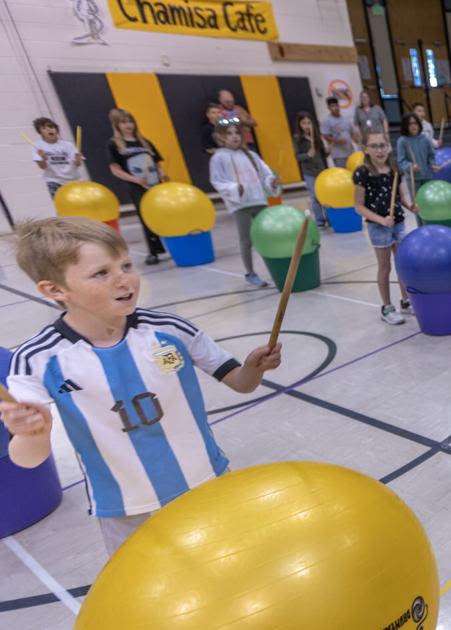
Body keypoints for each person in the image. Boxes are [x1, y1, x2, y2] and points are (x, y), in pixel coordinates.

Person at [1, 217, 281, 555]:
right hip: (125, 509)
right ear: (55, 290)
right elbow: (30, 459)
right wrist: (30, 432)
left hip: (207, 480)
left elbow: (240, 383)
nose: (125, 279)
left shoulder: (169, 329)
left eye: (125, 265)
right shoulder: (36, 358)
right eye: (101, 273)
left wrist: (252, 368)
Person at [354, 130, 417, 325]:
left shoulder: (394, 169)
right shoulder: (362, 173)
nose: (379, 150)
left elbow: (401, 197)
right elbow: (358, 207)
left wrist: (410, 206)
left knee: (402, 264)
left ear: (388, 147)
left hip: (397, 223)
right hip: (378, 227)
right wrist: (381, 220)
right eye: (374, 146)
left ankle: (406, 301)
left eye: (382, 145)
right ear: (366, 149)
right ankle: (387, 307)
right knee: (385, 267)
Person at [209, 121, 278, 288]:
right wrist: (233, 188)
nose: (234, 136)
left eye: (237, 133)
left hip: (258, 200)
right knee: (246, 240)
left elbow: (265, 173)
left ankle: (276, 268)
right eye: (230, 133)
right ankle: (250, 272)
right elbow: (217, 181)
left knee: (267, 236)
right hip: (240, 205)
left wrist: (271, 180)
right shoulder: (219, 157)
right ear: (221, 137)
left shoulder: (251, 155)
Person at [107, 108, 166, 265]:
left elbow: (158, 162)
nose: (128, 125)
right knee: (146, 217)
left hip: (156, 185)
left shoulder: (144, 142)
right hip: (138, 187)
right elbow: (115, 169)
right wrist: (134, 179)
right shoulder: (115, 144)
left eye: (130, 121)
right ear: (117, 125)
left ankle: (172, 246)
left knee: (163, 215)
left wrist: (161, 174)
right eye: (124, 122)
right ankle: (154, 251)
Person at [30, 117, 82, 199]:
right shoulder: (38, 146)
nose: (49, 130)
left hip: (73, 179)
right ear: (40, 133)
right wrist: (43, 158)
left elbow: (78, 164)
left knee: (77, 205)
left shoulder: (68, 145)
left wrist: (78, 160)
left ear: (56, 129)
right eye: (44, 128)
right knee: (62, 206)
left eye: (51, 127)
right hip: (54, 180)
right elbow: (42, 166)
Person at [294, 111, 329, 228]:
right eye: (304, 123)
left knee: (325, 196)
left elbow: (323, 154)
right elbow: (298, 157)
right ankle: (320, 221)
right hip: (309, 172)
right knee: (315, 197)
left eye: (309, 123)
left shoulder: (317, 137)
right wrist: (307, 155)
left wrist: (327, 151)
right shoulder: (298, 139)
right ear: (299, 125)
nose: (307, 126)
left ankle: (330, 219)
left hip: (321, 170)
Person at [396, 113, 438, 194]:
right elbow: (401, 161)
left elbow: (431, 155)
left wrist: (433, 164)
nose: (413, 126)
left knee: (429, 202)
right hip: (413, 179)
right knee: (417, 204)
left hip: (427, 176)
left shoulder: (425, 139)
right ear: (405, 126)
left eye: (415, 123)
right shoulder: (402, 141)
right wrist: (410, 166)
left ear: (419, 124)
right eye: (410, 124)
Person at [321, 96, 360, 168]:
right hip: (338, 155)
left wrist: (355, 137)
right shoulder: (326, 121)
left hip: (350, 152)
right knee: (343, 175)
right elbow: (325, 136)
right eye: (332, 106)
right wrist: (336, 141)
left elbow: (352, 133)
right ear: (329, 108)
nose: (335, 108)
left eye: (336, 105)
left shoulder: (346, 119)